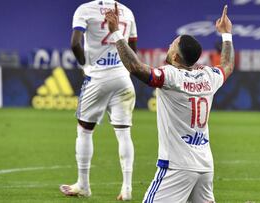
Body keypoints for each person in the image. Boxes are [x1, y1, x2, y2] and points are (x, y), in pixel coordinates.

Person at [105, 4, 234, 202]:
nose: (169, 46)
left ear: (175, 57)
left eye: (172, 45)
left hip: (176, 167)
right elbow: (227, 65)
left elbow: (135, 67)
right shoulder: (209, 76)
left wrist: (115, 33)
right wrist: (226, 34)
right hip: (205, 166)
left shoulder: (171, 77)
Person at [59, 0, 137, 200]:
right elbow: (132, 49)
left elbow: (75, 43)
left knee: (84, 131)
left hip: (98, 77)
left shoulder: (84, 10)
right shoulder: (127, 11)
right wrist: (123, 70)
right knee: (124, 133)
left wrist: (85, 65)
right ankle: (127, 188)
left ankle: (83, 185)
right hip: (123, 79)